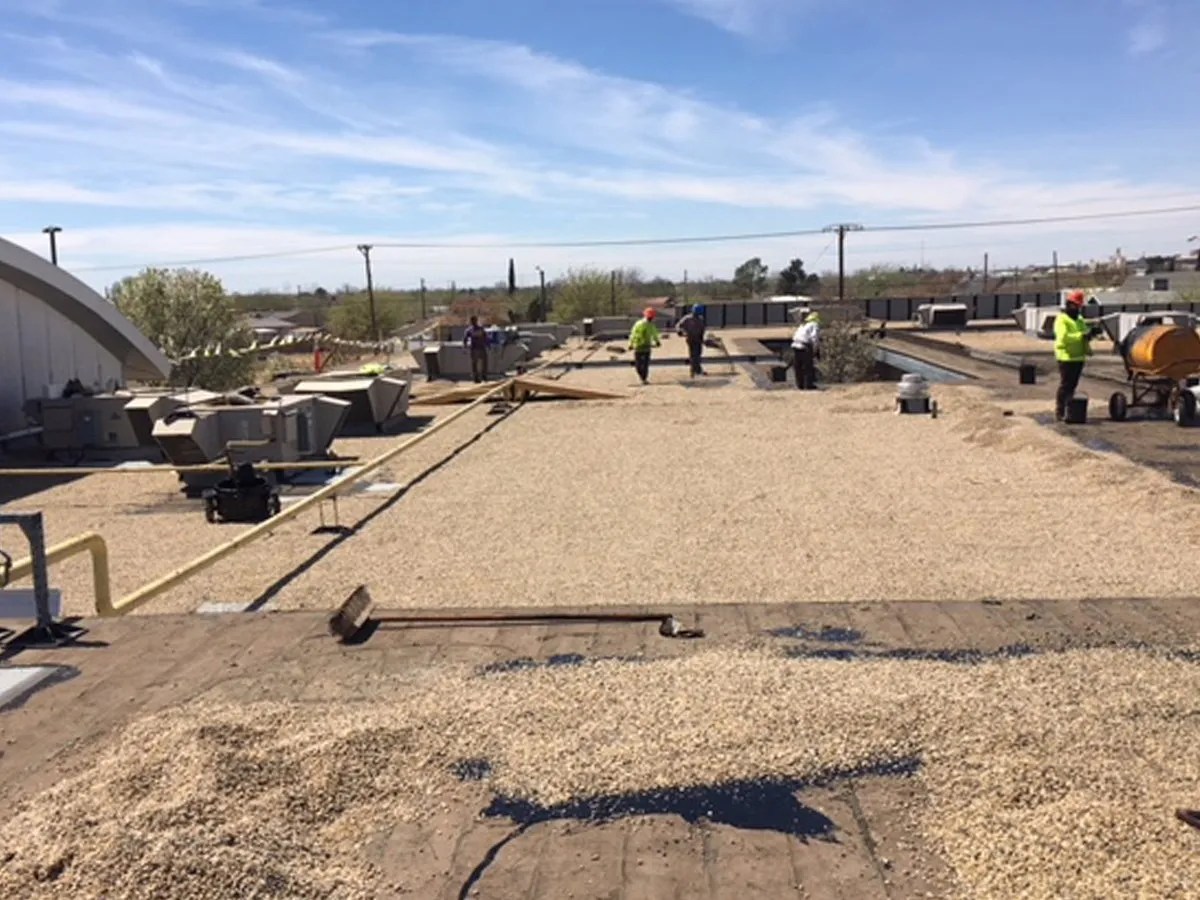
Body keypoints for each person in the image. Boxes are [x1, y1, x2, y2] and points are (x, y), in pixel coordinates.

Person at [1054, 291, 1100, 421]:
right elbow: (1064, 338)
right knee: (1065, 385)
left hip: (1079, 356)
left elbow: (1084, 334)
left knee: (1072, 386)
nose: (1077, 309)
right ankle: (1060, 411)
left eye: (1078, 306)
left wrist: (1091, 333)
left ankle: (1070, 411)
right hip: (1066, 357)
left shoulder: (1079, 319)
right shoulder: (1062, 320)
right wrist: (1082, 336)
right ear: (1068, 305)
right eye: (1075, 306)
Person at [628, 307, 661, 384]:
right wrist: (631, 344)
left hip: (647, 347)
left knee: (645, 364)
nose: (651, 318)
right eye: (650, 317)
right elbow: (633, 334)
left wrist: (657, 341)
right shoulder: (639, 324)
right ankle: (642, 376)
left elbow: (654, 333)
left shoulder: (651, 325)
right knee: (638, 365)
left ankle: (644, 378)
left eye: (652, 317)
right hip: (638, 346)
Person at [790, 308, 821, 390]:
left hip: (796, 346)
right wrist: (815, 349)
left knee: (798, 367)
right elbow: (814, 338)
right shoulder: (814, 324)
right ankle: (808, 385)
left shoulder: (802, 325)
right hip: (805, 347)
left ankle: (800, 385)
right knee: (808, 367)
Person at [676, 304, 707, 376]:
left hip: (698, 339)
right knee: (693, 355)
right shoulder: (687, 319)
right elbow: (678, 325)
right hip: (690, 339)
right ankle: (693, 371)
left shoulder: (700, 320)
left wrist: (702, 340)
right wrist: (679, 331)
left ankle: (697, 370)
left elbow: (702, 330)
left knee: (698, 355)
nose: (696, 315)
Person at [463, 316, 489, 383]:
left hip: (482, 348)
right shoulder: (469, 330)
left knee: (484, 363)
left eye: (475, 320)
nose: (474, 322)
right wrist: (465, 347)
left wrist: (487, 344)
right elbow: (465, 338)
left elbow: (485, 336)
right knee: (474, 364)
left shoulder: (481, 328)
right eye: (473, 320)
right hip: (474, 349)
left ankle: (484, 376)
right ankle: (476, 377)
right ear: (471, 321)